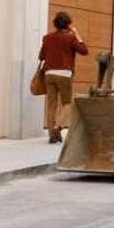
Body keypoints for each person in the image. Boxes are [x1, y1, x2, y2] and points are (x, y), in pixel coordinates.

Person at [39, 12, 88, 143]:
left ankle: (52, 134)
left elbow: (41, 56)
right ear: (68, 24)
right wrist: (77, 34)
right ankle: (58, 127)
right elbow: (84, 51)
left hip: (49, 74)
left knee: (51, 104)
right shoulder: (70, 38)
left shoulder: (47, 38)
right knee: (67, 103)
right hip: (64, 74)